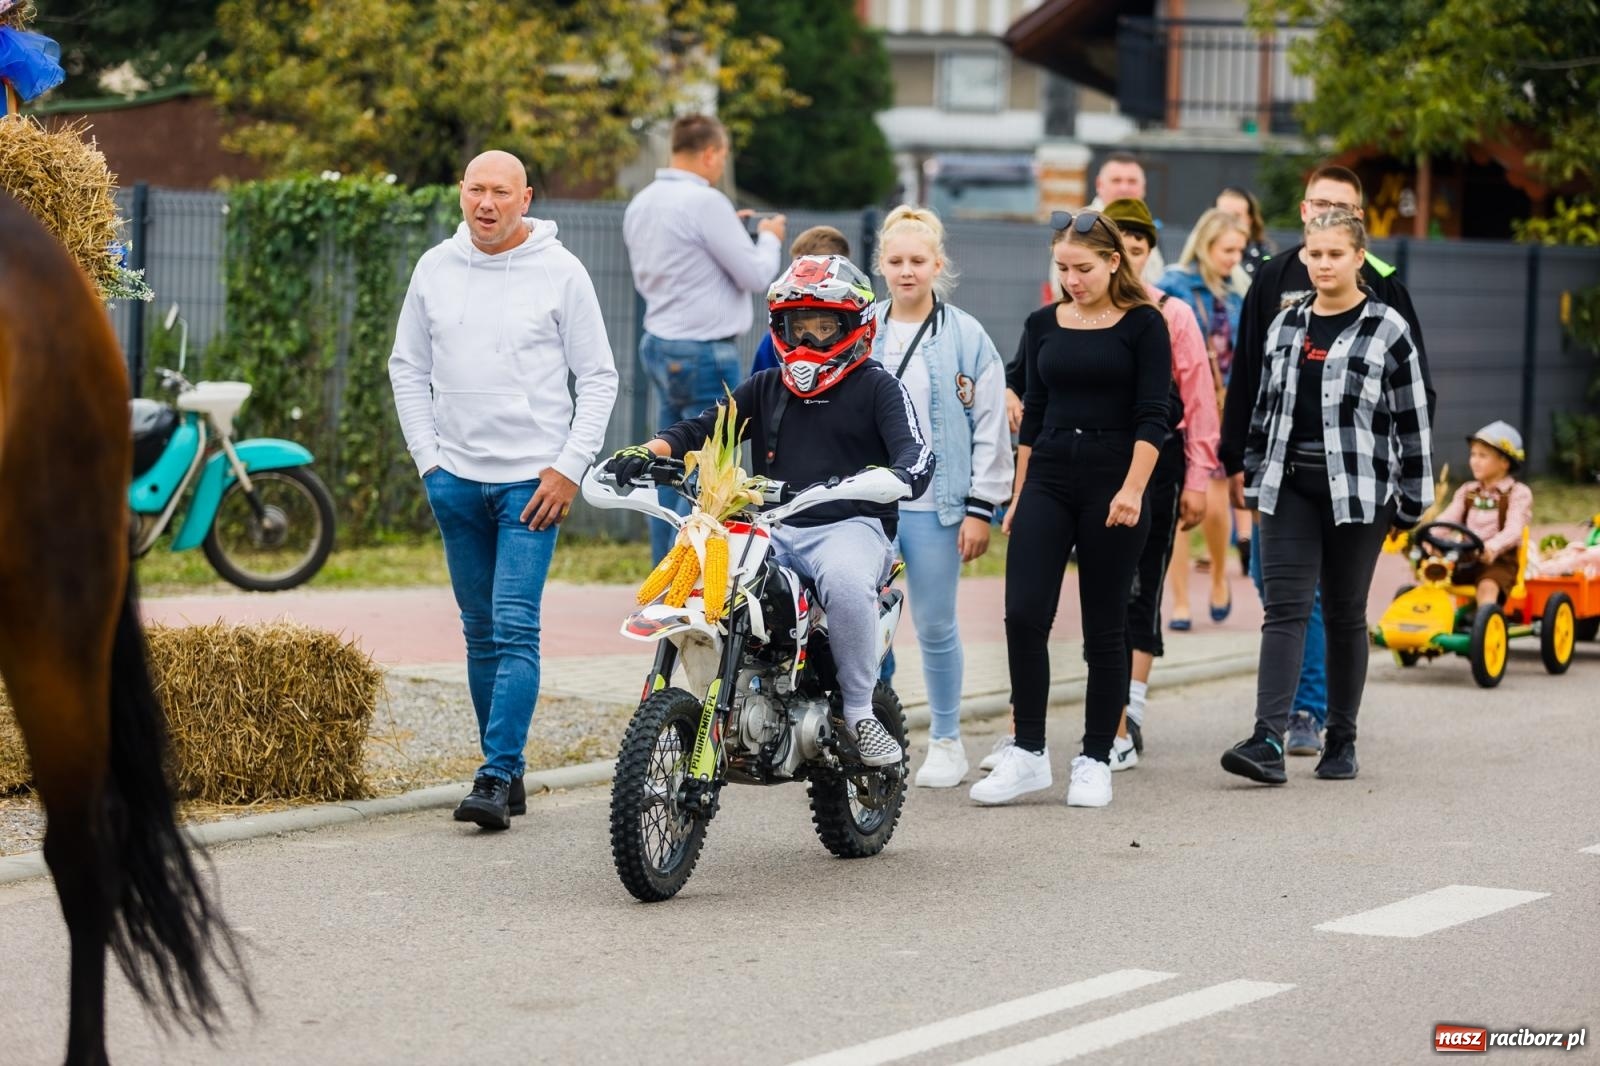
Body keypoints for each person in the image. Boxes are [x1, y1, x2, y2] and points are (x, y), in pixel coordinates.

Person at [605, 255, 934, 765]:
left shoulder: (878, 386)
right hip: (772, 525)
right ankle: (730, 692)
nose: (808, 342)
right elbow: (705, 426)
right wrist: (649, 453)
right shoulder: (766, 386)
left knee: (846, 582)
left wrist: (897, 476)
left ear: (856, 327)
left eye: (825, 327)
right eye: (797, 327)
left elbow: (916, 453)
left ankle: (860, 711)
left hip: (850, 524)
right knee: (704, 569)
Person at [389, 150, 619, 829]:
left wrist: (568, 467)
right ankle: (509, 767)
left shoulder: (561, 271)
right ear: (460, 193)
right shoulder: (434, 267)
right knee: (479, 631)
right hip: (455, 482)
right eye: (475, 190)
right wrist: (429, 463)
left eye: (501, 192)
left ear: (526, 199)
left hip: (532, 486)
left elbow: (599, 377)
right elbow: (408, 368)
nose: (486, 203)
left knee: (515, 623)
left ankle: (492, 776)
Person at [1220, 163, 1437, 757]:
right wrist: (1252, 470)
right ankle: (1268, 736)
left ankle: (1341, 737)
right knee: (1284, 609)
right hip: (1288, 487)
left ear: (1358, 257)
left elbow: (1412, 417)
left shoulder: (1388, 325)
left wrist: (1413, 502)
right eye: (1314, 252)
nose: (1322, 263)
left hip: (1360, 493)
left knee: (1343, 614)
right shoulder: (1287, 322)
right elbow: (1264, 403)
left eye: (1335, 253)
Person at [972, 210, 1170, 809]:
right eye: (1062, 267)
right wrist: (1020, 492)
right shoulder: (1042, 323)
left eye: (1083, 268)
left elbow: (1153, 416)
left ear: (1114, 262)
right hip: (1050, 477)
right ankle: (1028, 752)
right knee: (1025, 613)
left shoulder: (1144, 326)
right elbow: (1033, 413)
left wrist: (1134, 489)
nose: (1073, 279)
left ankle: (1093, 757)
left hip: (1116, 480)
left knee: (1105, 626)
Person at [865, 206, 1012, 788]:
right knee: (855, 623)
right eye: (896, 261)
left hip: (935, 505)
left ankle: (946, 740)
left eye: (917, 261)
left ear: (937, 265)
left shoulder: (966, 335)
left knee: (934, 624)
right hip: (867, 503)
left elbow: (990, 422)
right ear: (881, 266)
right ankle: (867, 730)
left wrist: (982, 505)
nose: (906, 272)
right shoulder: (860, 329)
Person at [623, 114, 787, 563]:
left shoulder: (644, 201)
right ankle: (685, 565)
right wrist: (768, 238)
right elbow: (755, 274)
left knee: (667, 459)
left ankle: (662, 564)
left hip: (659, 341)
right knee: (707, 471)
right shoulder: (704, 202)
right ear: (711, 153)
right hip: (704, 351)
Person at [1099, 198, 1220, 767]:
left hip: (1162, 462)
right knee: (1104, 588)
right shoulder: (1086, 310)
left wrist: (1199, 476)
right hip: (1098, 460)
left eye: (1139, 242)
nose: (1129, 250)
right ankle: (1106, 704)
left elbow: (1199, 401)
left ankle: (1133, 706)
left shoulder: (1174, 313)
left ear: (1149, 250)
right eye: (1118, 240)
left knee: (1145, 584)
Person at [1158, 208, 1250, 629]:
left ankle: (1217, 575)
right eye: (1228, 249)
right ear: (1206, 245)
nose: (1234, 258)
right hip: (1183, 406)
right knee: (1181, 505)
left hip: (1225, 408)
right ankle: (1178, 599)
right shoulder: (1173, 285)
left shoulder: (1238, 292)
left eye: (1239, 250)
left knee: (1215, 505)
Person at [1430, 422, 1532, 605]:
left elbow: (1514, 529)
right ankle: (1425, 618)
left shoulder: (1518, 493)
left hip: (1498, 561)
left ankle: (1486, 624)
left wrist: (1492, 547)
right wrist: (1431, 538)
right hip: (1465, 556)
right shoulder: (1467, 491)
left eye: (1483, 456)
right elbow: (1447, 519)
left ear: (1504, 462)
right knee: (1431, 573)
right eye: (1473, 454)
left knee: (1488, 586)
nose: (1475, 461)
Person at [749, 225, 852, 376]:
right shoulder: (776, 338)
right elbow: (760, 392)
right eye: (794, 272)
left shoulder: (858, 332)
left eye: (804, 273)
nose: (795, 280)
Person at [1089, 151, 1166, 282]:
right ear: (1099, 185)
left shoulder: (1147, 225)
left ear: (1144, 187)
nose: (1124, 188)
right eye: (1116, 180)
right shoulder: (1081, 225)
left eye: (1132, 181)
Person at [1215, 185, 1273, 283]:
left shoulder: (1264, 258)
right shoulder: (1198, 255)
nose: (1227, 220)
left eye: (1236, 216)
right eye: (1222, 214)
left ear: (1250, 220)